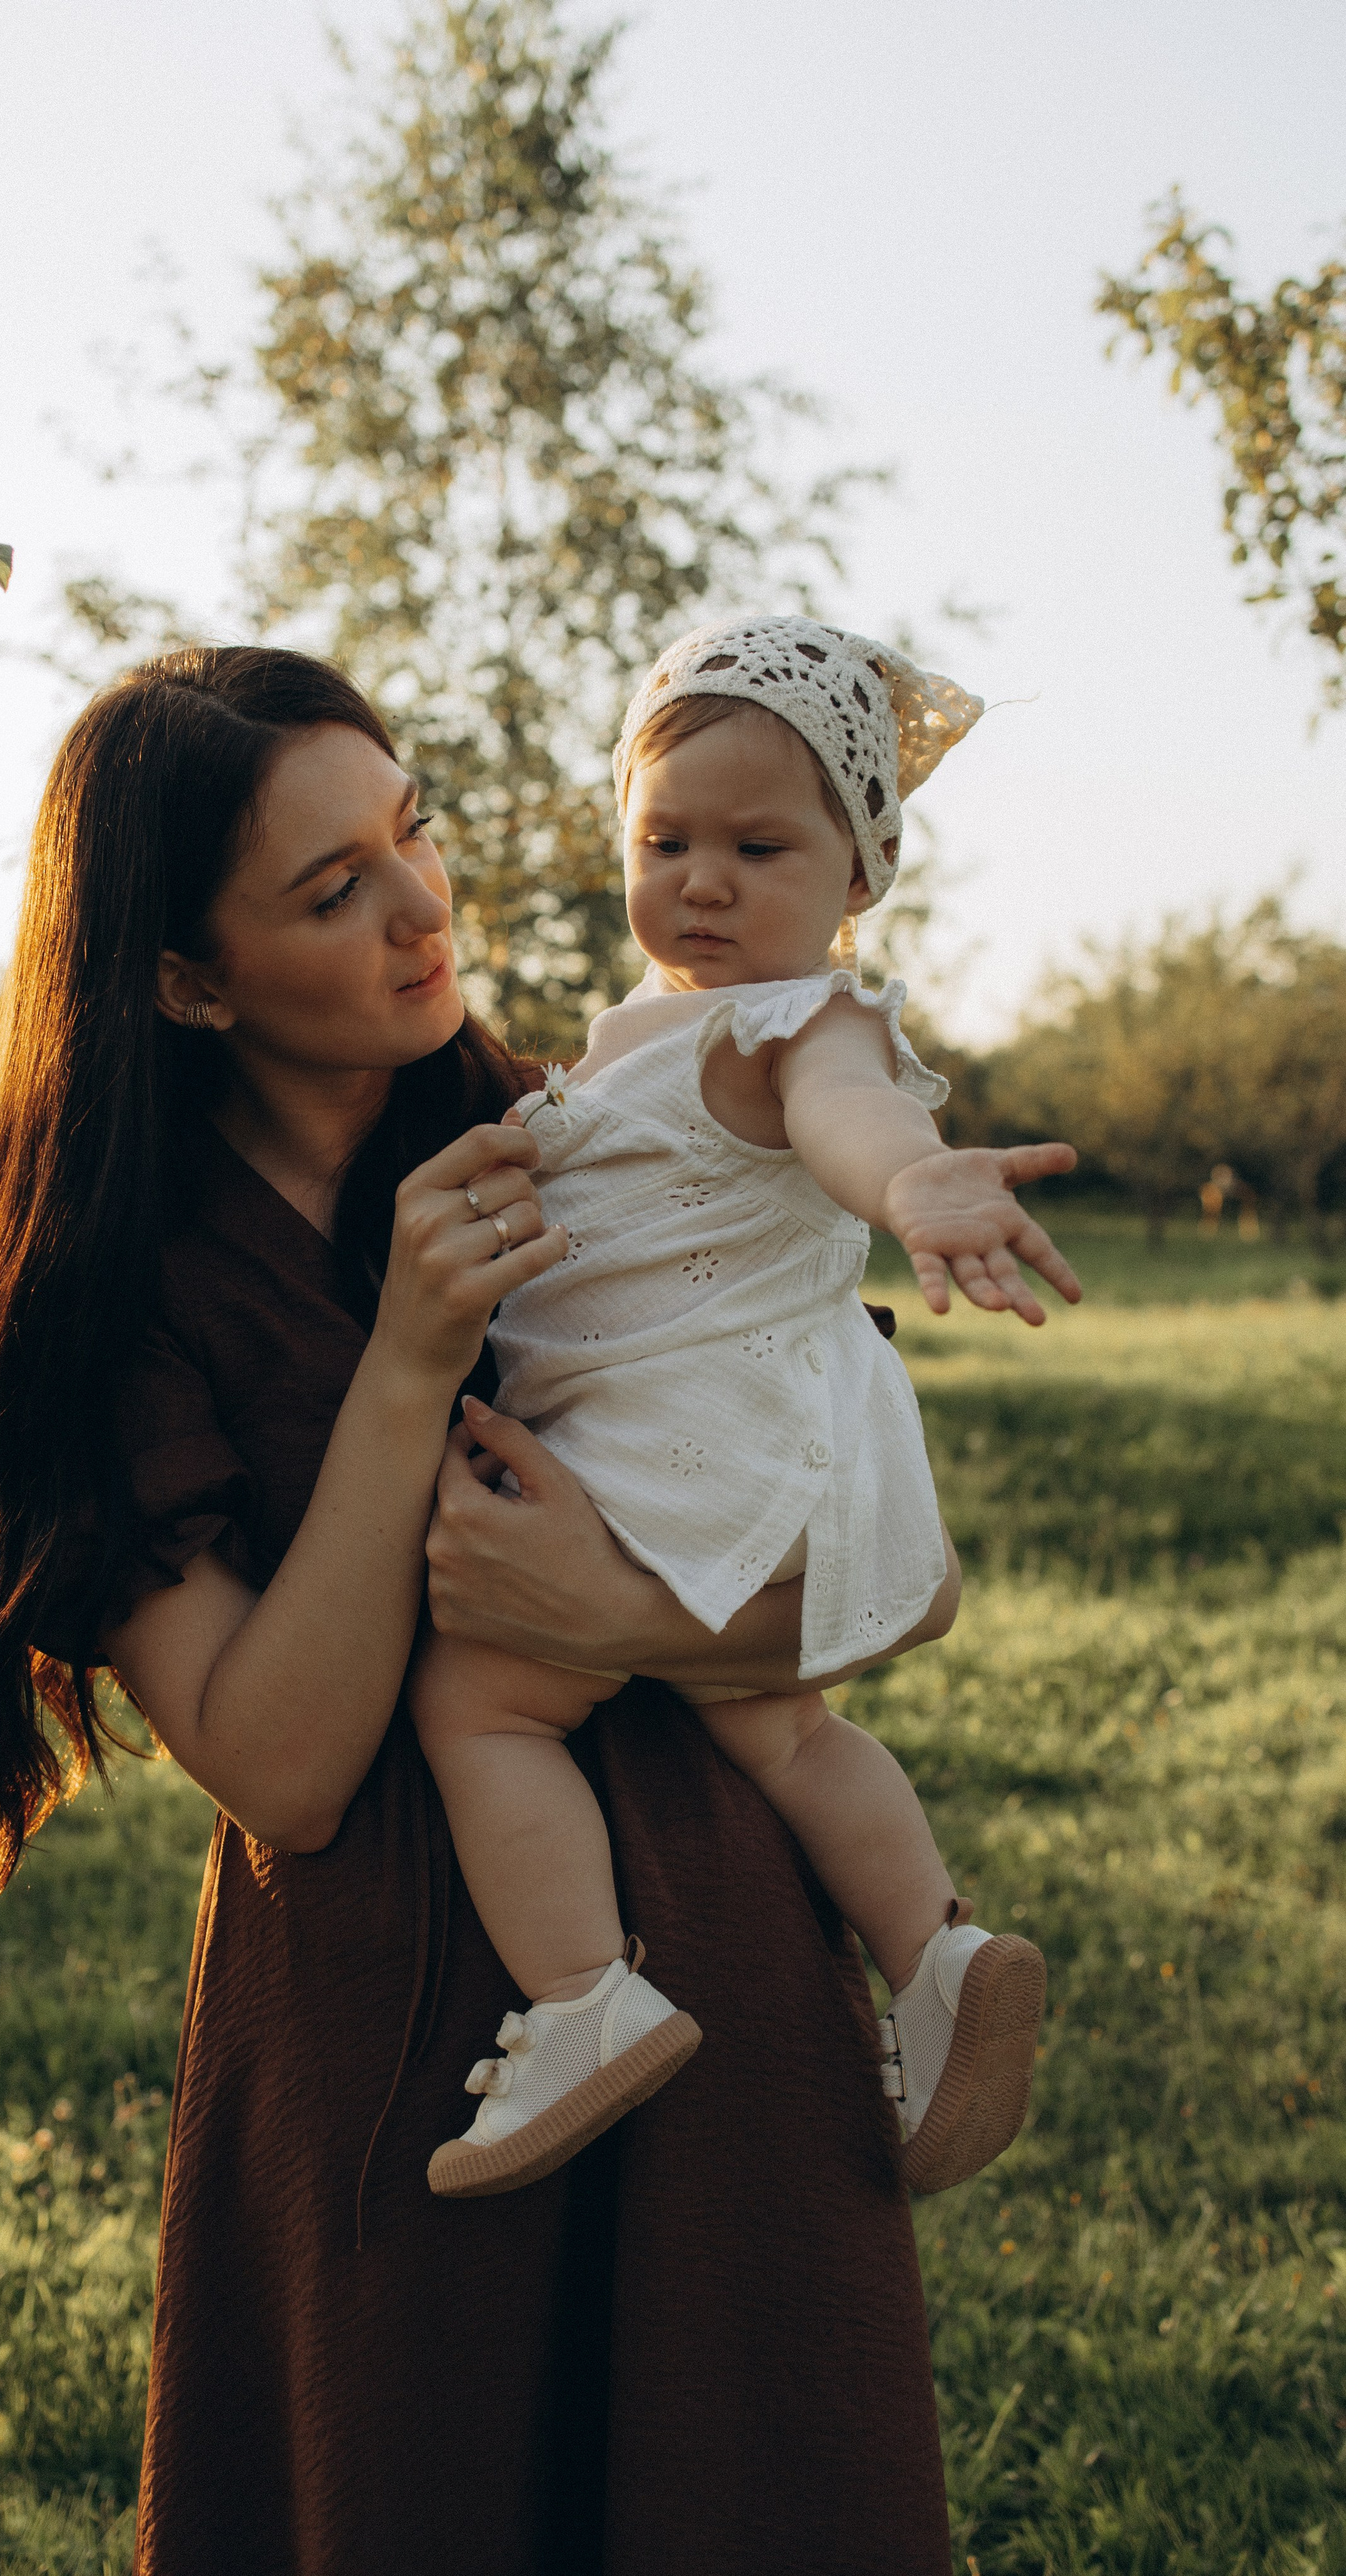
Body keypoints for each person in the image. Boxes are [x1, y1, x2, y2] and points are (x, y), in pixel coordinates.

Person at [0, 643, 962, 2575]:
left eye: (410, 834)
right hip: (394, 2052)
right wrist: (410, 1367)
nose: (421, 910)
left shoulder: (599, 1127)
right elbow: (284, 1768)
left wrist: (614, 1612)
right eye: (332, 891)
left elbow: (895, 1584)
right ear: (184, 978)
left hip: (728, 1984)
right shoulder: (110, 1304)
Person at [413, 616, 1078, 2204]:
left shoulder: (797, 1024)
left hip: (683, 1449)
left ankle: (582, 1998)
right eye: (666, 839)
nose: (702, 880)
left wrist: (914, 1181)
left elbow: (845, 1119)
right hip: (765, 1464)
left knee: (485, 1707)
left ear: (859, 880)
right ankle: (931, 1947)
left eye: (758, 845)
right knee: (781, 1725)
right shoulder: (646, 1040)